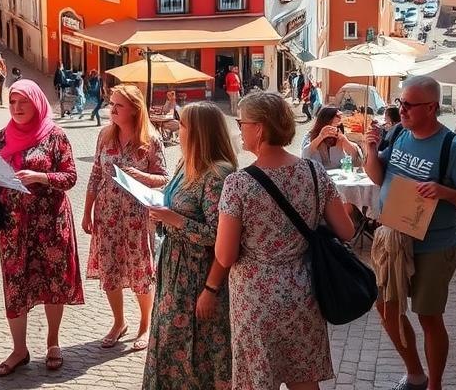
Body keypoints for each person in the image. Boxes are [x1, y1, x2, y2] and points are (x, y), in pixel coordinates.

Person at [216, 91, 354, 390]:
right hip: (304, 292)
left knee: (257, 380)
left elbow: (225, 257)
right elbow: (346, 231)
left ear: (260, 128)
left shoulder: (238, 184)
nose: (239, 128)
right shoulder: (314, 172)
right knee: (303, 380)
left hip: (256, 300)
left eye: (242, 122)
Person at [364, 75, 456, 390]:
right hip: (393, 239)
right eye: (400, 103)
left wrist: (444, 191)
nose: (401, 110)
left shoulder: (452, 147)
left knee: (429, 317)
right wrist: (371, 148)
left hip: (433, 246)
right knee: (386, 307)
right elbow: (378, 177)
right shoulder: (399, 134)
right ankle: (415, 373)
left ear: (431, 107)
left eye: (409, 105)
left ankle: (435, 385)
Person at [0, 80, 84, 376]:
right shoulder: (1, 138)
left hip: (50, 223)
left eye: (23, 101)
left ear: (37, 102)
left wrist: (40, 177)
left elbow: (71, 177)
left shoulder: (56, 136)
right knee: (15, 287)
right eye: (12, 102)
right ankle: (19, 349)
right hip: (13, 227)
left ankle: (53, 342)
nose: (16, 108)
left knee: (53, 282)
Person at [143, 103, 236, 390]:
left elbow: (219, 236)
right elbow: (176, 204)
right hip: (174, 270)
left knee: (195, 354)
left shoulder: (217, 174)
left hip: (198, 276)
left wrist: (174, 220)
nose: (176, 128)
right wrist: (158, 209)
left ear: (199, 132)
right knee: (170, 344)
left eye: (181, 125)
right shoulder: (187, 163)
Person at [83, 83, 168, 351]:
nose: (112, 110)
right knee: (110, 270)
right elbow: (96, 174)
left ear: (134, 109)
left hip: (137, 217)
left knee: (140, 270)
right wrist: (87, 211)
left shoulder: (150, 140)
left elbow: (164, 177)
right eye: (111, 104)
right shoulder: (104, 136)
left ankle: (145, 325)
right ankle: (119, 322)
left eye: (119, 105)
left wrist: (140, 175)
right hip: (107, 215)